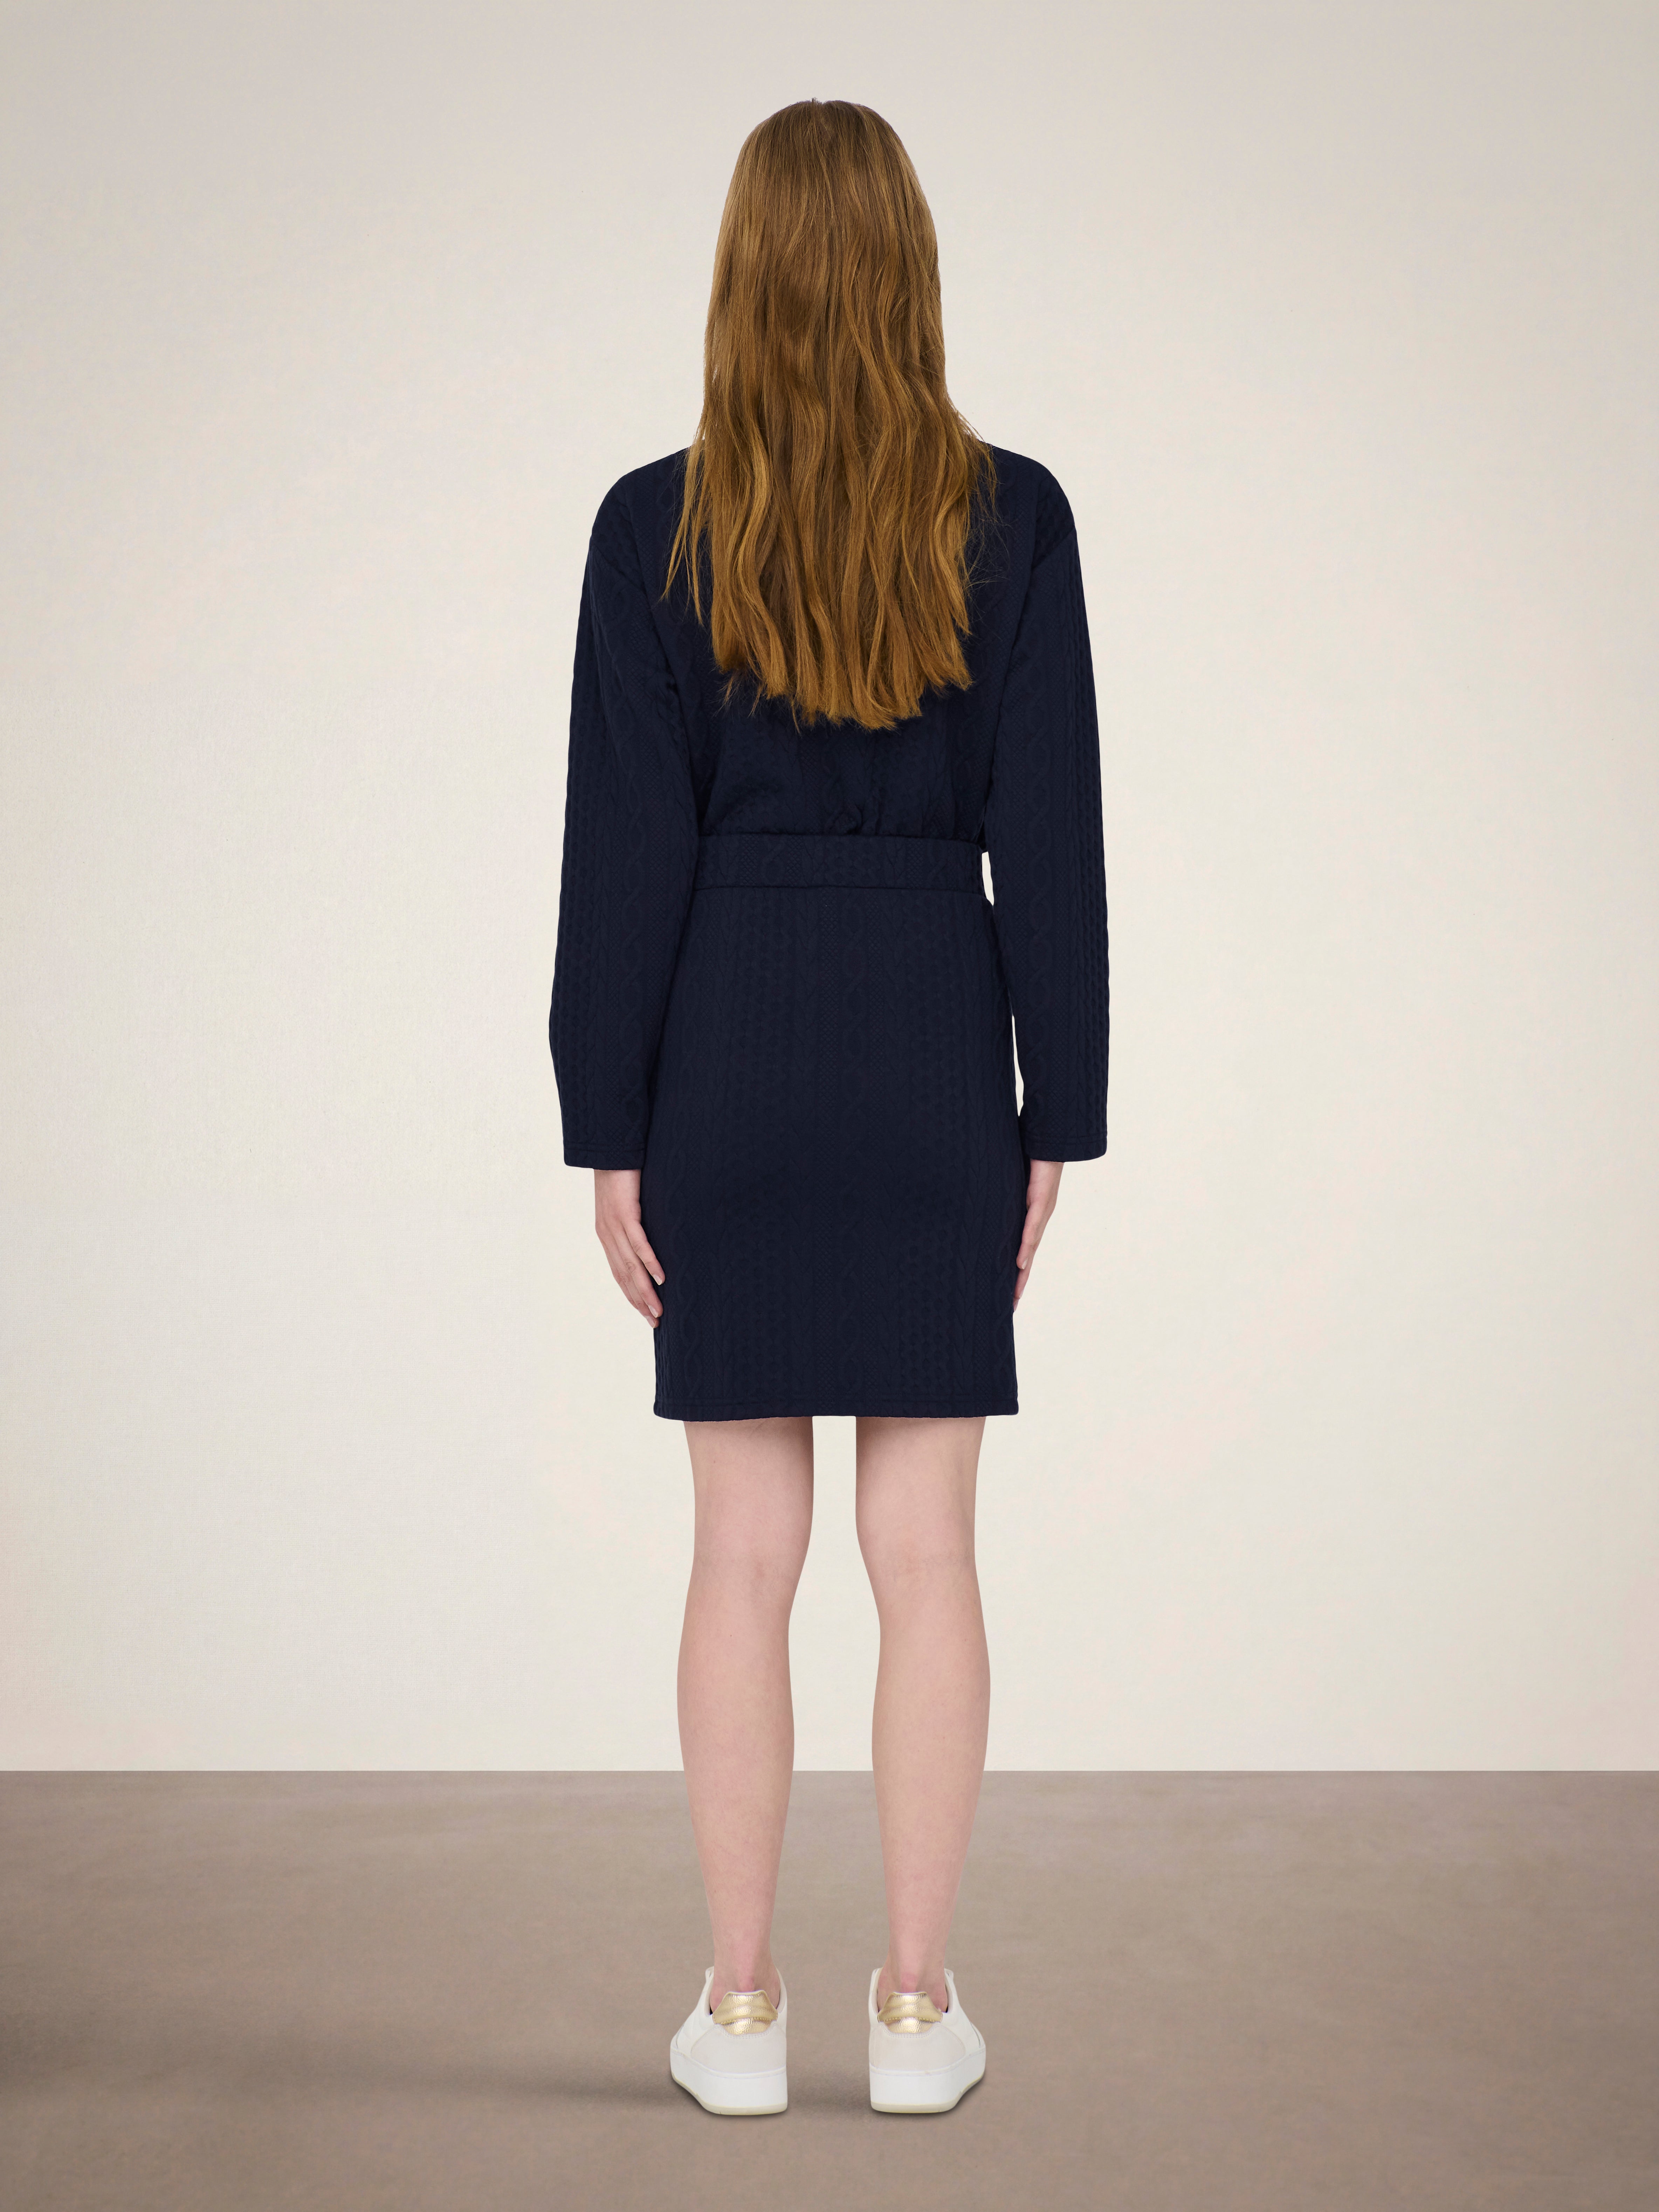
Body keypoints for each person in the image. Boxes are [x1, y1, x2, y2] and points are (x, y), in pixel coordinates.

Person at [549, 98, 1108, 2118]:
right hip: (934, 1042)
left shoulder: (655, 527)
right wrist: (1059, 1108)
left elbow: (623, 853)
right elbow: (1054, 836)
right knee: (928, 1553)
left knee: (740, 1557)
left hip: (729, 1043)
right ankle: (917, 2013)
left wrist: (606, 1123)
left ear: (741, 274)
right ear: (911, 272)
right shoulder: (1014, 518)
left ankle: (738, 2014)